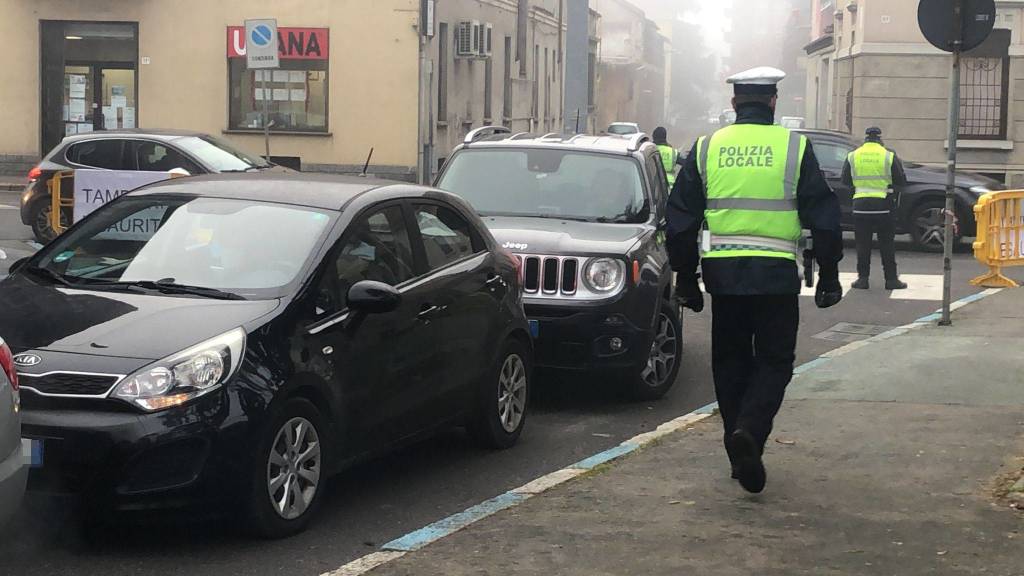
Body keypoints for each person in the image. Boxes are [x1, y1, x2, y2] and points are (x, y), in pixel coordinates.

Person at [666, 66, 844, 494]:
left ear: (733, 104)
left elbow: (679, 220)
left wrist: (686, 278)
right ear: (773, 103)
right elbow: (823, 215)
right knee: (775, 360)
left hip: (724, 275)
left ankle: (737, 447)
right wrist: (829, 275)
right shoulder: (793, 147)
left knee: (729, 361)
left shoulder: (708, 147)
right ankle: (751, 431)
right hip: (776, 274)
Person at [843, 127, 908, 290]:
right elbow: (901, 180)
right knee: (887, 244)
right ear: (880, 139)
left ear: (866, 139)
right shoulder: (888, 155)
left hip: (860, 206)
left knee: (862, 244)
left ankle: (863, 279)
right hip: (883, 207)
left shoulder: (853, 155)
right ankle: (891, 279)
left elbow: (845, 180)